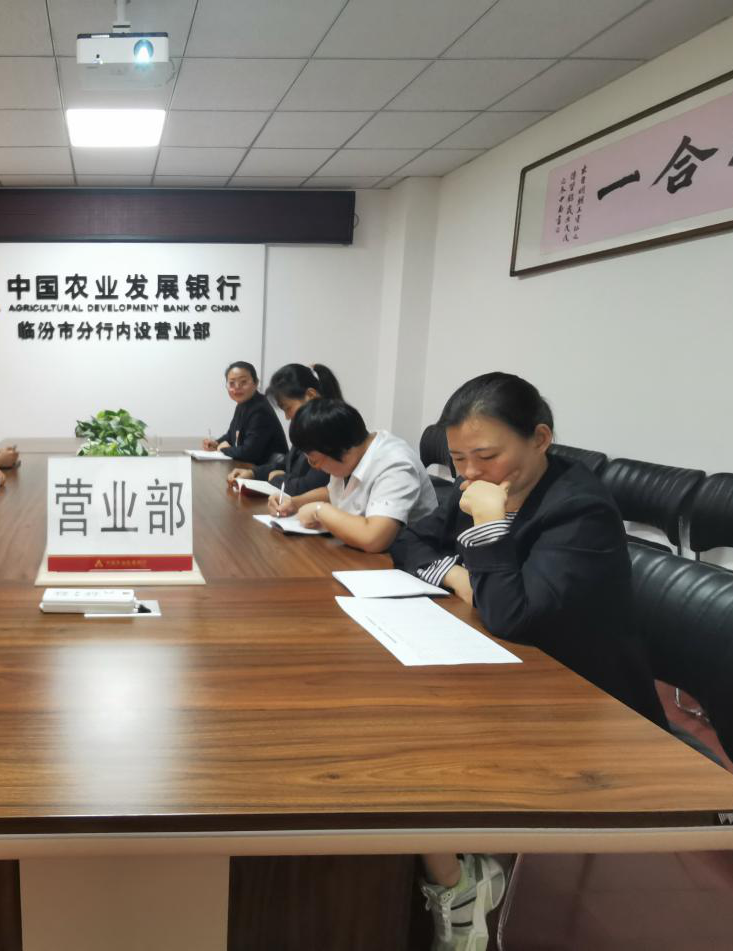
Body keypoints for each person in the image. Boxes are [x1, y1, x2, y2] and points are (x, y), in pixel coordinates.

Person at [390, 372, 667, 951]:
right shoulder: (479, 484)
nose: (469, 473)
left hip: (588, 705)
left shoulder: (578, 509)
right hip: (514, 674)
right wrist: (460, 578)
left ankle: (459, 882)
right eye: (458, 459)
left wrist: (489, 526)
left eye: (486, 455)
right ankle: (453, 870)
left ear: (540, 438)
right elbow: (410, 541)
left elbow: (512, 616)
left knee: (408, 746)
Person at [275, 399, 436, 552]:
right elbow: (334, 493)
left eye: (314, 461)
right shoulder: (352, 453)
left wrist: (319, 511)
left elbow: (374, 539)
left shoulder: (396, 465)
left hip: (407, 559)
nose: (315, 467)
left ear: (341, 450)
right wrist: (295, 503)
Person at [226, 362, 341, 497]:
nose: (287, 417)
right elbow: (286, 463)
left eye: (288, 408)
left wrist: (276, 478)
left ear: (311, 396)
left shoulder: (330, 432)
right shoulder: (308, 428)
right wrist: (253, 473)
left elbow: (309, 487)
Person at [203, 361, 287, 464]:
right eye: (232, 383)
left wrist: (222, 449)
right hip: (250, 467)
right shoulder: (243, 404)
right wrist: (216, 443)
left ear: (256, 383)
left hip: (268, 471)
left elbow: (249, 452)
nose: (237, 387)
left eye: (243, 382)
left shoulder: (260, 410)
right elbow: (231, 435)